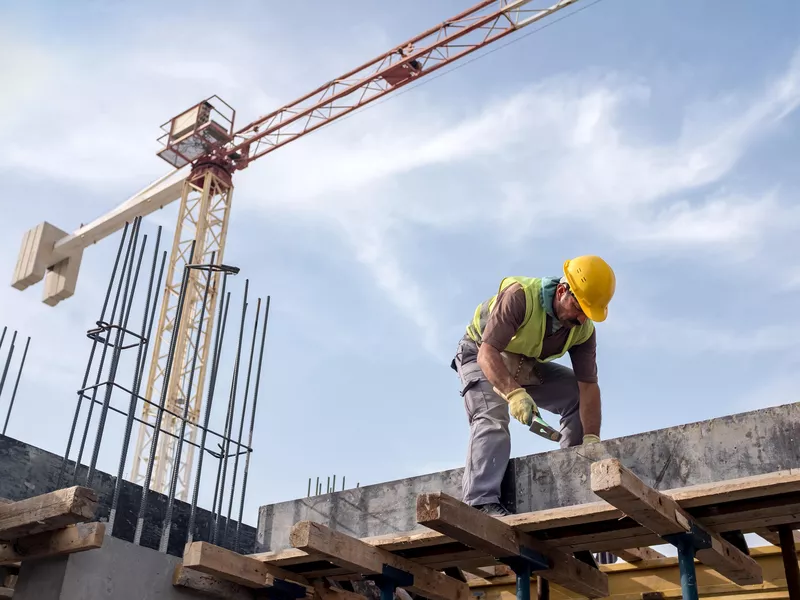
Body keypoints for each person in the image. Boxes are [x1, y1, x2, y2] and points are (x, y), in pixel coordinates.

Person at [451, 255, 616, 516]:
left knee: (574, 395)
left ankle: (575, 480)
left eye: (588, 313)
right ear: (562, 291)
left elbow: (588, 386)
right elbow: (487, 354)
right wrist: (514, 393)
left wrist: (591, 438)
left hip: (521, 362)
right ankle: (481, 503)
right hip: (479, 352)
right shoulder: (520, 297)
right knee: (492, 417)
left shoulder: (583, 331)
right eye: (579, 308)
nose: (582, 319)